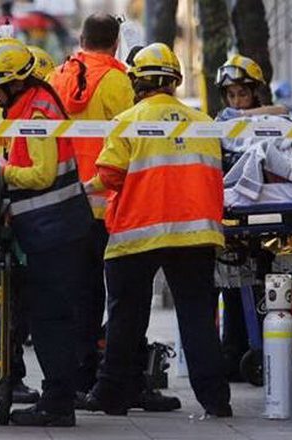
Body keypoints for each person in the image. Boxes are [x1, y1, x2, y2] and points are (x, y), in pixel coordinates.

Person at [83, 43, 232, 417]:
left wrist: (81, 189)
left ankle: (112, 394)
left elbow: (110, 175)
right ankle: (216, 400)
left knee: (126, 318)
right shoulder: (203, 123)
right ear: (175, 81)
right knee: (197, 317)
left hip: (138, 233)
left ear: (137, 82)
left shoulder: (128, 121)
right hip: (195, 235)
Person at [48, 13, 179, 412]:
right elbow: (138, 139)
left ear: (81, 39)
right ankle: (130, 381)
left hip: (68, 203)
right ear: (116, 42)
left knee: (81, 297)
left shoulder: (56, 78)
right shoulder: (119, 81)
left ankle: (81, 378)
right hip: (112, 205)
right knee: (127, 300)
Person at [0, 37, 93, 427]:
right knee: (51, 318)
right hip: (53, 230)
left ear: (14, 82)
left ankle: (57, 404)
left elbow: (41, 174)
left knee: (51, 320)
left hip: (55, 231)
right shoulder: (27, 105)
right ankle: (58, 398)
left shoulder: (37, 112)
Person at [215, 55, 286, 381]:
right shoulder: (220, 122)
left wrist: (244, 116)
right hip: (233, 211)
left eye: (242, 94)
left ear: (255, 92)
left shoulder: (269, 118)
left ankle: (266, 351)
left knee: (264, 283)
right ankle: (234, 353)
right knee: (231, 287)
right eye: (231, 95)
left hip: (267, 212)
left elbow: (282, 111)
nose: (236, 101)